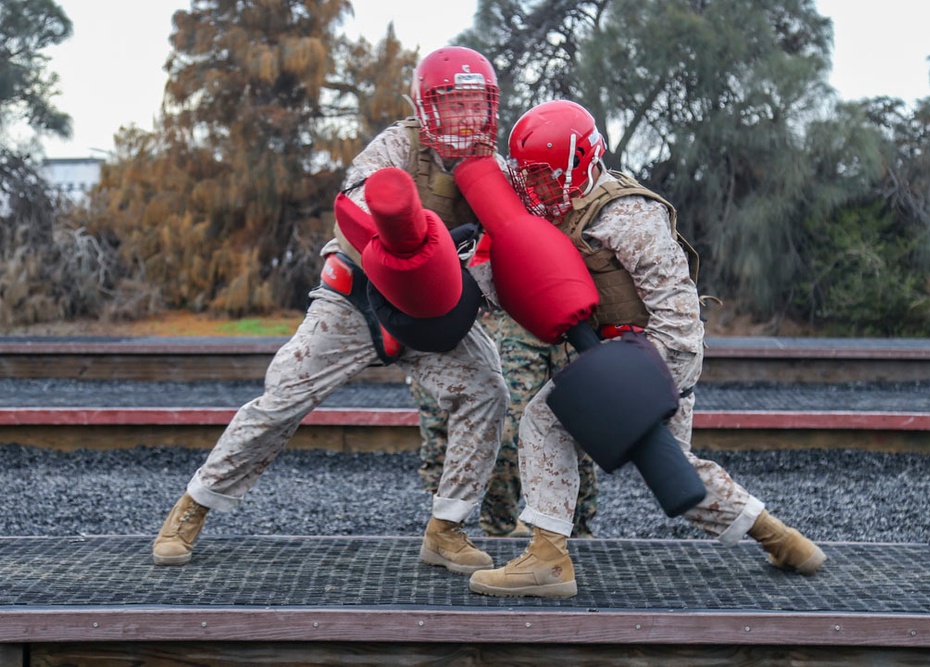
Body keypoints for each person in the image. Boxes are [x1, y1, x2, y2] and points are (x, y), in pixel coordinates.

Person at [152, 46, 509, 576]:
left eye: (474, 105)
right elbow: (360, 200)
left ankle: (447, 528)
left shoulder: (495, 171)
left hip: (431, 312)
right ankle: (194, 506)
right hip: (356, 300)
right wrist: (420, 234)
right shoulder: (398, 143)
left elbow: (511, 251)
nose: (464, 117)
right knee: (282, 399)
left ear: (490, 109)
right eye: (451, 103)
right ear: (426, 106)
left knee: (487, 390)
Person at [465, 100, 826, 598]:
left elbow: (679, 318)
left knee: (671, 471)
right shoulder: (554, 205)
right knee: (553, 424)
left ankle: (780, 539)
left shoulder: (628, 216)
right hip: (606, 358)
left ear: (582, 162)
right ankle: (781, 540)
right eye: (528, 180)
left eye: (546, 179)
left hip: (649, 359)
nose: (536, 192)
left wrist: (643, 390)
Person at [410, 308, 599, 539]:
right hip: (521, 322)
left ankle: (576, 527)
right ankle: (501, 522)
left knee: (579, 429)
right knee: (510, 428)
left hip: (577, 322)